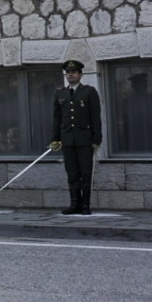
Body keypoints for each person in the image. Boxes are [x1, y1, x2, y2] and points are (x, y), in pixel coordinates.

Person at [51, 59, 101, 216]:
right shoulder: (60, 93)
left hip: (84, 139)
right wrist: (55, 139)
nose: (70, 74)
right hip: (67, 139)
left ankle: (85, 205)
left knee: (85, 173)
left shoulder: (89, 92)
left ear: (81, 74)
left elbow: (95, 117)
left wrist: (96, 139)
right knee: (72, 173)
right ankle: (74, 204)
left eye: (73, 72)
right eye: (68, 72)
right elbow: (57, 118)